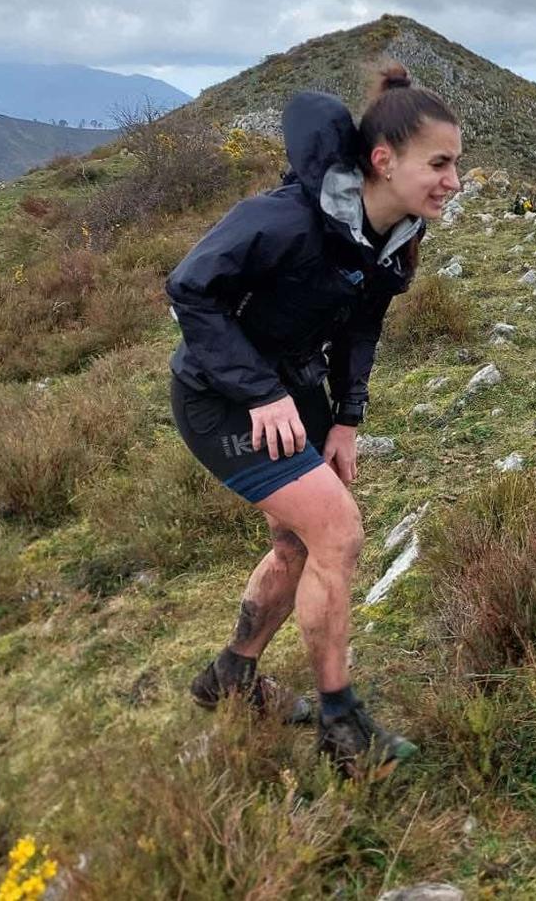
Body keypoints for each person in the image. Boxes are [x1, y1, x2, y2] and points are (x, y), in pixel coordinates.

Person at [165, 61, 462, 775]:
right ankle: (342, 726)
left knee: (300, 545)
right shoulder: (286, 219)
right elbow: (189, 287)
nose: (454, 180)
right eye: (441, 163)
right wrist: (258, 392)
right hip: (220, 397)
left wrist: (346, 418)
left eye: (458, 163)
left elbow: (361, 330)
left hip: (292, 396)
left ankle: (230, 679)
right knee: (337, 530)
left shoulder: (394, 242)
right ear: (385, 162)